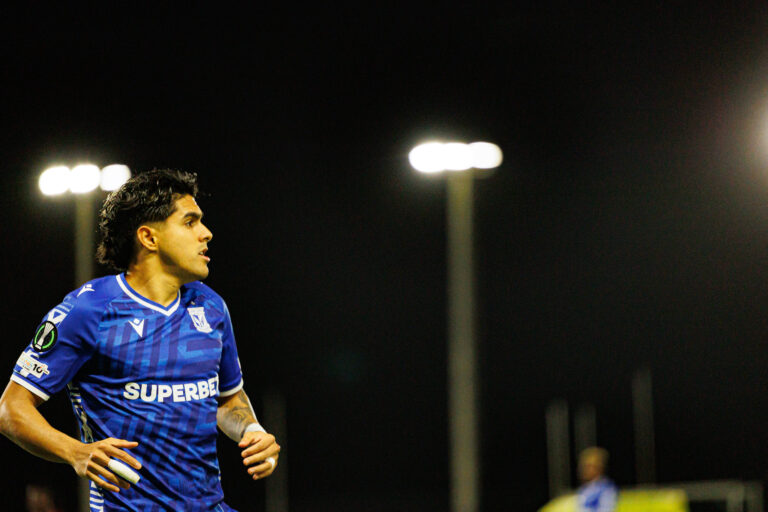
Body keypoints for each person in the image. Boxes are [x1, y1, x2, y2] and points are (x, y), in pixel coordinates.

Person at [0, 169, 280, 511]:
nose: (206, 233)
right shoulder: (89, 310)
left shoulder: (211, 307)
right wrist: (76, 452)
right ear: (149, 237)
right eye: (190, 222)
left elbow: (227, 399)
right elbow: (11, 410)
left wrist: (251, 429)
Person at [577, 447, 618, 512]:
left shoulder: (606, 488)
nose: (585, 470)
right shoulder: (584, 489)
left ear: (599, 467)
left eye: (589, 466)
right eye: (584, 466)